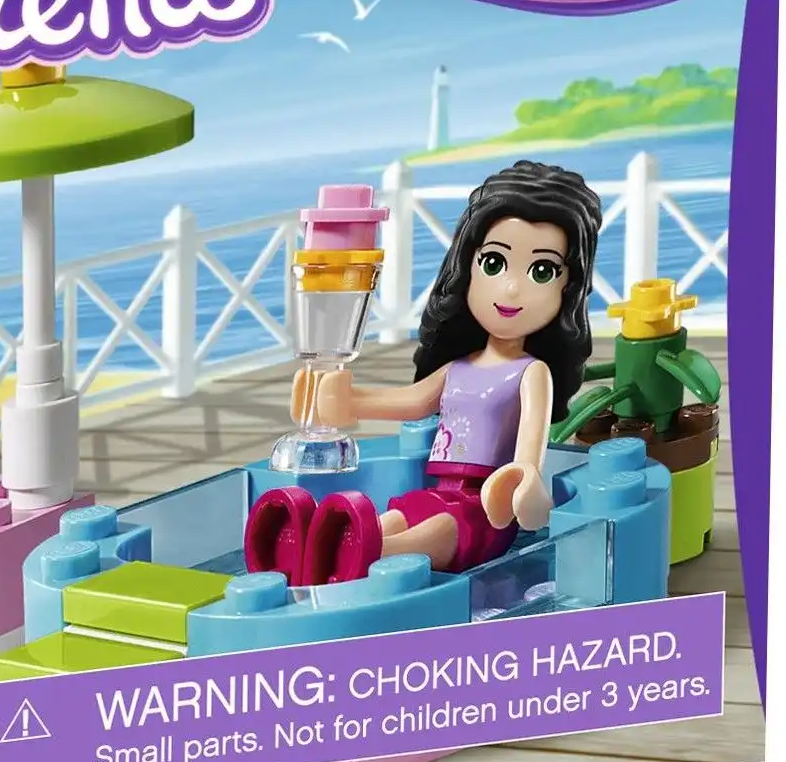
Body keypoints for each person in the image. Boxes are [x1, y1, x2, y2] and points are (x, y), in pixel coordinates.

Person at [244, 161, 601, 585]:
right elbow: (409, 403)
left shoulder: (531, 372)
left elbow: (529, 456)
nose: (511, 288)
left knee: (418, 537)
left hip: (482, 513)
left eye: (541, 271)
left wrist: (523, 483)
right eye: (493, 263)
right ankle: (309, 543)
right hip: (436, 492)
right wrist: (342, 400)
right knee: (385, 522)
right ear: (467, 266)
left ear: (567, 287)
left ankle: (341, 557)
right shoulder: (458, 368)